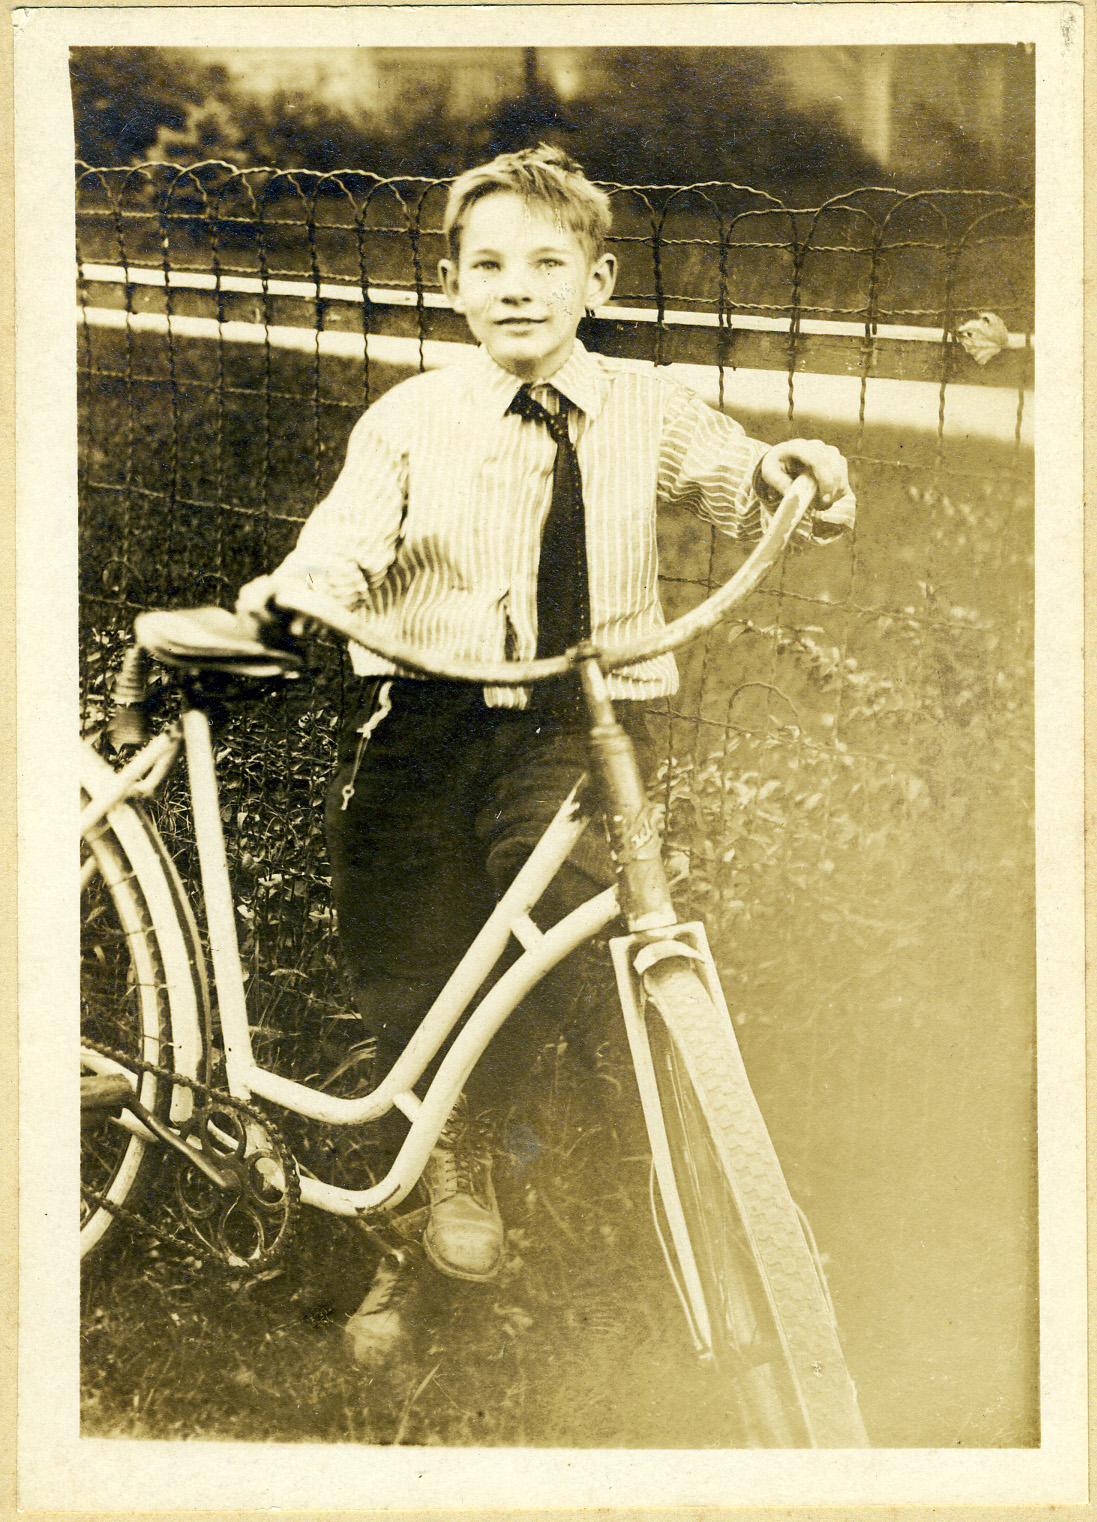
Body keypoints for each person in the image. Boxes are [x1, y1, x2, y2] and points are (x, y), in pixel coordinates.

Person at [236, 145, 856, 1364]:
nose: (515, 287)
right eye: (486, 266)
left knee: (556, 922)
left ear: (596, 281)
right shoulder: (411, 419)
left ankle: (640, 1165)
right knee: (407, 950)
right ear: (451, 287)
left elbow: (734, 475)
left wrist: (793, 473)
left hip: (582, 721)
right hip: (428, 715)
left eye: (545, 263)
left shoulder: (646, 404)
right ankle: (417, 1200)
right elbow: (341, 544)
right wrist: (300, 596)